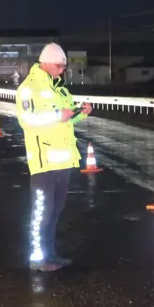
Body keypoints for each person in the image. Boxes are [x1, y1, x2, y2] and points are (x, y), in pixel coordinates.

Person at [16, 43, 92, 272]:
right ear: (47, 63)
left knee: (55, 213)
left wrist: (80, 113)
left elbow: (65, 119)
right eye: (60, 66)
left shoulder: (60, 89)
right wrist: (58, 114)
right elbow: (27, 121)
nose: (62, 70)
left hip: (63, 163)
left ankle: (50, 255)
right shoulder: (29, 89)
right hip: (43, 163)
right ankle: (38, 259)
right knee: (42, 214)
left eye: (64, 67)